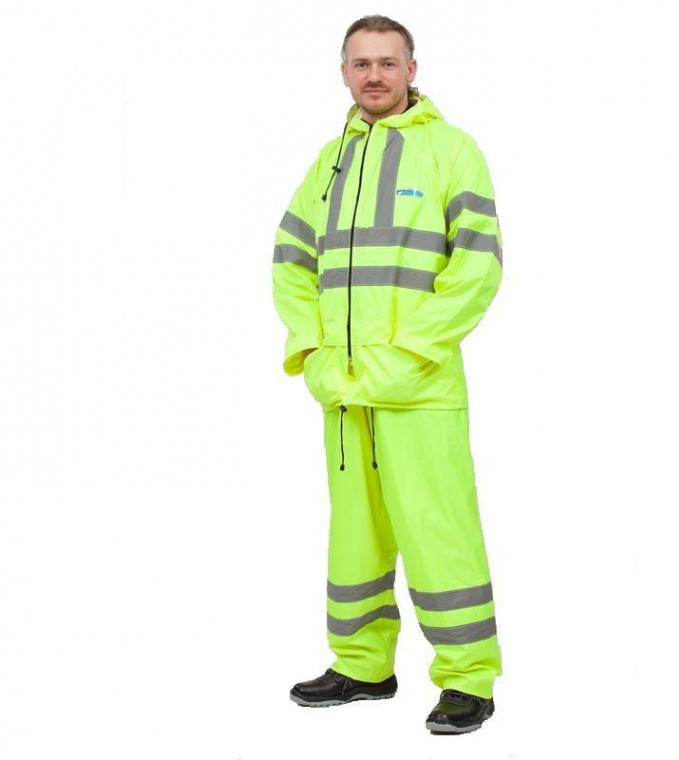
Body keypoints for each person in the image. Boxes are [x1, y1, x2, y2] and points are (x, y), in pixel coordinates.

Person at [272, 14, 505, 735]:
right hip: (345, 393)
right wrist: (312, 353)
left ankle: (467, 679)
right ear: (344, 73)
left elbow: (478, 267)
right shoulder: (329, 162)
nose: (374, 75)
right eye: (361, 63)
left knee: (438, 531)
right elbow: (291, 263)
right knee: (356, 535)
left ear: (411, 69)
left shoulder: (451, 151)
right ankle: (363, 665)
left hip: (419, 390)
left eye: (387, 62)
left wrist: (405, 354)